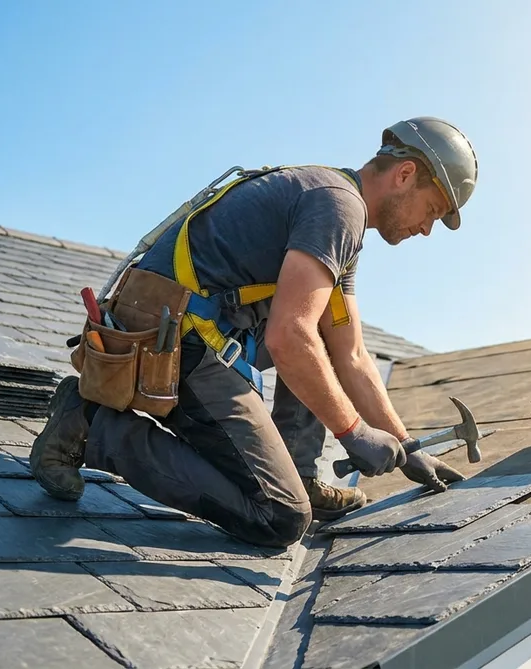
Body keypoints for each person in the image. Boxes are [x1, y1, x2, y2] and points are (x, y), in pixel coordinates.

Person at [29, 117, 479, 548]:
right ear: (404, 174)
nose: (426, 229)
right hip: (174, 337)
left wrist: (405, 444)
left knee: (319, 333)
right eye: (432, 211)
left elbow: (352, 353)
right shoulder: (338, 208)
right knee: (280, 516)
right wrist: (353, 432)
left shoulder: (336, 203)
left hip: (184, 325)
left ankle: (296, 472)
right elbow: (288, 338)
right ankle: (93, 426)